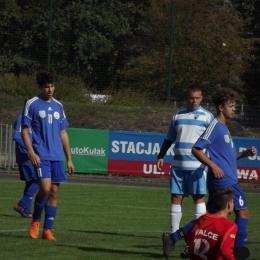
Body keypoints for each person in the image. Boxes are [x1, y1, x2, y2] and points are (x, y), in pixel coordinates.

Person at [191, 88, 257, 251]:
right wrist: (212, 165)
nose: (234, 109)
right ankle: (239, 250)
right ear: (221, 107)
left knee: (210, 219)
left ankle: (177, 237)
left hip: (223, 180)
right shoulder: (215, 126)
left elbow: (227, 157)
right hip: (225, 181)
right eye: (231, 106)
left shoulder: (223, 127)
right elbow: (196, 149)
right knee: (243, 213)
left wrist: (245, 154)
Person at [157, 84, 214, 258]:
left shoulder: (208, 117)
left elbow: (213, 141)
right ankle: (173, 236)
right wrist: (160, 156)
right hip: (178, 165)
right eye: (191, 98)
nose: (194, 101)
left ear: (202, 98)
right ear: (187, 97)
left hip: (197, 167)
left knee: (199, 199)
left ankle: (198, 238)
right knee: (176, 198)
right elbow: (169, 138)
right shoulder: (178, 115)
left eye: (197, 98)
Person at [21, 71, 74, 241]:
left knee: (54, 192)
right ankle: (35, 222)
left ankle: (47, 230)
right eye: (46, 87)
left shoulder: (59, 106)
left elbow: (63, 133)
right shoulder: (32, 104)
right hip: (41, 155)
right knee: (44, 188)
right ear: (40, 87)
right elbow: (24, 130)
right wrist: (31, 151)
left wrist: (69, 158)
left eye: (52, 86)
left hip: (57, 156)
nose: (50, 90)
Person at [162, 188, 250, 260]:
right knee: (244, 253)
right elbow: (225, 251)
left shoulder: (202, 219)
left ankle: (174, 237)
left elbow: (189, 238)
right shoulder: (230, 226)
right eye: (233, 202)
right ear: (229, 205)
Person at [13, 100, 39, 218]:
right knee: (39, 180)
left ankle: (26, 210)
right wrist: (30, 150)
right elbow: (17, 137)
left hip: (28, 156)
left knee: (30, 183)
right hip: (26, 157)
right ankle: (21, 204)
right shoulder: (22, 118)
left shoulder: (30, 119)